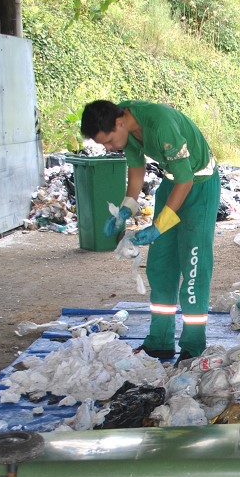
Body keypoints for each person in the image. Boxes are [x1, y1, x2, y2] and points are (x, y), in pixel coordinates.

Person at [80, 99, 220, 363]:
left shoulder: (160, 124)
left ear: (120, 123)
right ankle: (160, 340)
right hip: (172, 183)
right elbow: (136, 171)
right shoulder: (124, 124)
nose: (109, 148)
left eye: (108, 141)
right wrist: (125, 209)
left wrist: (159, 226)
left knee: (193, 265)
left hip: (199, 185)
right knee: (160, 265)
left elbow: (187, 179)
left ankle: (192, 345)